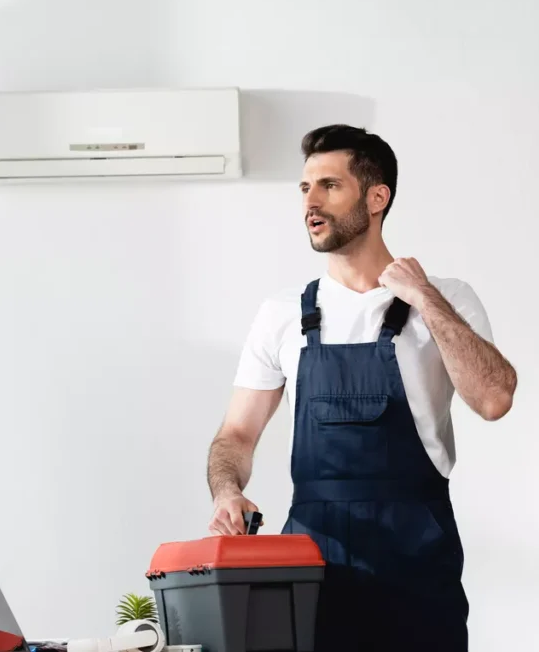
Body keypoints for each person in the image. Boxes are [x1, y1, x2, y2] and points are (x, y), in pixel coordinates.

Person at [205, 124, 517, 650]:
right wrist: (227, 490)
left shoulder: (446, 299)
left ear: (377, 198)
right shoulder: (282, 314)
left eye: (330, 185)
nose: (311, 202)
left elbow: (494, 399)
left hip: (417, 561)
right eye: (305, 188)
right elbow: (236, 434)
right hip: (310, 565)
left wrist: (423, 297)